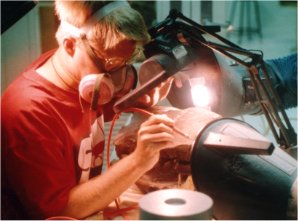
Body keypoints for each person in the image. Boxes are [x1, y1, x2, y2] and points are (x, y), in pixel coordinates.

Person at [1, 1, 177, 219]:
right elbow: (62, 211)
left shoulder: (77, 76)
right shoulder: (28, 113)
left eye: (125, 63)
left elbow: (118, 101)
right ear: (70, 45)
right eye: (111, 63)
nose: (118, 80)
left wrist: (150, 93)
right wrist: (138, 161)